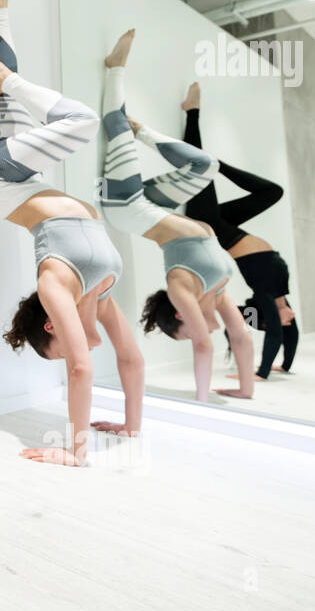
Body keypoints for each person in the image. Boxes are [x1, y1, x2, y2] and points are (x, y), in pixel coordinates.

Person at [0, 0, 145, 466]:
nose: (72, 347)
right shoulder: (101, 297)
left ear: (51, 326)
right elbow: (130, 360)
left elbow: (81, 370)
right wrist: (130, 428)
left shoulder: (55, 286)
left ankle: (6, 76)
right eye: (66, 349)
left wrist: (76, 451)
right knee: (14, 109)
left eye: (60, 346)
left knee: (79, 121)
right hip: (29, 183)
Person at [97, 31, 255, 402]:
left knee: (115, 128)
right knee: (205, 165)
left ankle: (114, 71)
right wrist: (245, 390)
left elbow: (202, 346)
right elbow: (242, 337)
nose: (205, 332)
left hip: (128, 209)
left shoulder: (181, 288)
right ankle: (142, 130)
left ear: (182, 316)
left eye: (185, 332)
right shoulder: (214, 293)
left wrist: (200, 400)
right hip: (152, 208)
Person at [179, 83, 298, 381]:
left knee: (198, 169)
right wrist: (284, 366)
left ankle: (192, 114)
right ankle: (219, 166)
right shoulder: (284, 299)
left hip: (209, 227)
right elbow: (292, 338)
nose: (291, 320)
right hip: (225, 226)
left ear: (270, 323)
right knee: (273, 192)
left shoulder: (267, 296)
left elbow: (275, 339)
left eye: (283, 323)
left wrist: (260, 373)